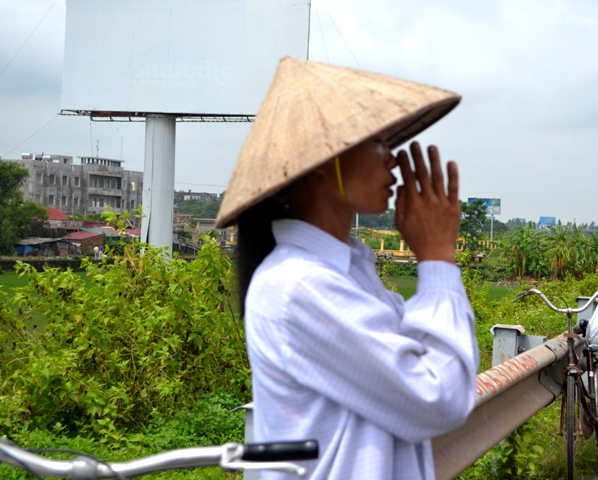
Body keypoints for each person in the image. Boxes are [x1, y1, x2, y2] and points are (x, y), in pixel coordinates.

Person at [216, 58, 479, 480]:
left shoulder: (348, 273)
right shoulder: (299, 286)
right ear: (323, 158)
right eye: (377, 142)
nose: (393, 160)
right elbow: (437, 395)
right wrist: (437, 259)